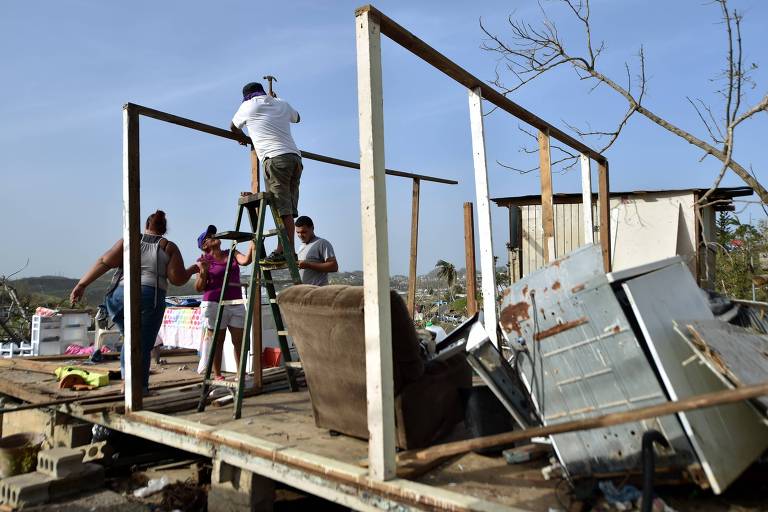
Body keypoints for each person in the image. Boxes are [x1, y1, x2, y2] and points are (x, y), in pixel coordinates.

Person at [69, 210, 198, 394]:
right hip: (150, 298)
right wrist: (192, 270)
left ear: (147, 226)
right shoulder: (168, 247)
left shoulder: (130, 240)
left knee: (131, 339)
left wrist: (82, 284)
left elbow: (104, 262)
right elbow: (177, 278)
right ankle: (139, 387)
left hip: (119, 297)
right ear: (164, 229)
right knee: (142, 344)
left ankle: (126, 382)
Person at [231, 81, 302, 264]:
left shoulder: (247, 106)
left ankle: (283, 250)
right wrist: (276, 100)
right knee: (290, 209)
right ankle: (288, 250)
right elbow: (297, 118)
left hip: (275, 159)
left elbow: (232, 126)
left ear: (246, 96)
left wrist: (242, 137)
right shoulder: (281, 103)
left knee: (282, 209)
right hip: (295, 159)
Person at [195, 225, 254, 379]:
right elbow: (199, 287)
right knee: (217, 342)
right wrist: (203, 271)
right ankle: (218, 376)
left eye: (214, 233)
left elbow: (246, 261)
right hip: (214, 303)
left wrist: (253, 244)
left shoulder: (232, 253)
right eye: (210, 235)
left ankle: (241, 374)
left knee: (239, 341)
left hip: (235, 302)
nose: (214, 236)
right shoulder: (203, 260)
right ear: (204, 245)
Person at [295, 216, 338, 286]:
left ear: (312, 228)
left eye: (303, 232)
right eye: (298, 232)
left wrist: (308, 265)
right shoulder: (301, 247)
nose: (300, 235)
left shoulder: (322, 243)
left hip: (317, 291)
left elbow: (334, 266)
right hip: (303, 292)